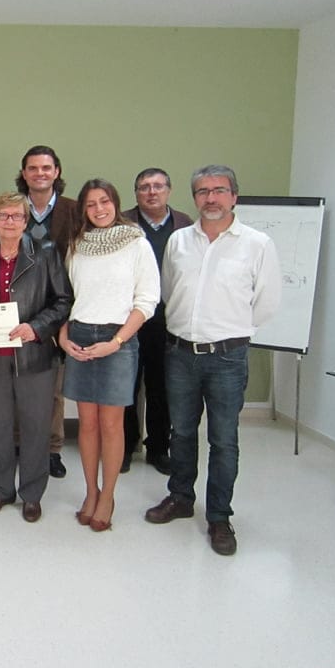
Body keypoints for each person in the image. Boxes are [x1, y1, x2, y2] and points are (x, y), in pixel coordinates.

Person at [145, 165, 281, 556]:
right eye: (203, 191)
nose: (211, 198)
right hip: (180, 353)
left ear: (234, 196)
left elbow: (267, 301)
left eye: (219, 190)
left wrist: (232, 329)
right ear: (194, 198)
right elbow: (168, 290)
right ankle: (181, 497)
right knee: (182, 432)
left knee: (223, 440)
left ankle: (220, 516)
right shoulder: (179, 241)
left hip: (227, 357)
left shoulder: (257, 244)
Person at [0, 192, 73, 523]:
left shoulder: (46, 252)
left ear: (26, 221)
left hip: (34, 357)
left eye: (17, 216)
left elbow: (63, 300)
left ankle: (32, 495)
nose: (10, 222)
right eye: (4, 216)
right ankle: (1, 490)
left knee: (36, 428)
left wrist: (36, 327)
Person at [59, 179, 160, 532]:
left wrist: (116, 342)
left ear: (115, 203)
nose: (98, 209)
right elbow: (68, 297)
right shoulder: (77, 244)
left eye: (104, 201)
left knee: (111, 424)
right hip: (81, 336)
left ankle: (108, 496)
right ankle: (91, 491)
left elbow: (146, 301)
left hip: (118, 339)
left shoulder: (136, 243)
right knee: (87, 424)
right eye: (91, 204)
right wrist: (62, 335)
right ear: (83, 210)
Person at [120, 169, 193, 474]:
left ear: (168, 190)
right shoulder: (122, 223)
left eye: (158, 186)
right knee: (126, 386)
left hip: (168, 319)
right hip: (129, 319)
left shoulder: (185, 225)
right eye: (144, 187)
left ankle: (159, 447)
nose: (152, 192)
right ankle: (125, 446)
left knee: (161, 386)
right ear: (136, 193)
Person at [16, 144, 79, 479]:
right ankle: (18, 444)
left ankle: (52, 449)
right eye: (33, 168)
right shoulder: (13, 209)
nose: (40, 173)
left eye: (46, 168)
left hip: (58, 308)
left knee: (52, 387)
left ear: (56, 172)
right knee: (15, 381)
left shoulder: (74, 210)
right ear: (24, 174)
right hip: (17, 308)